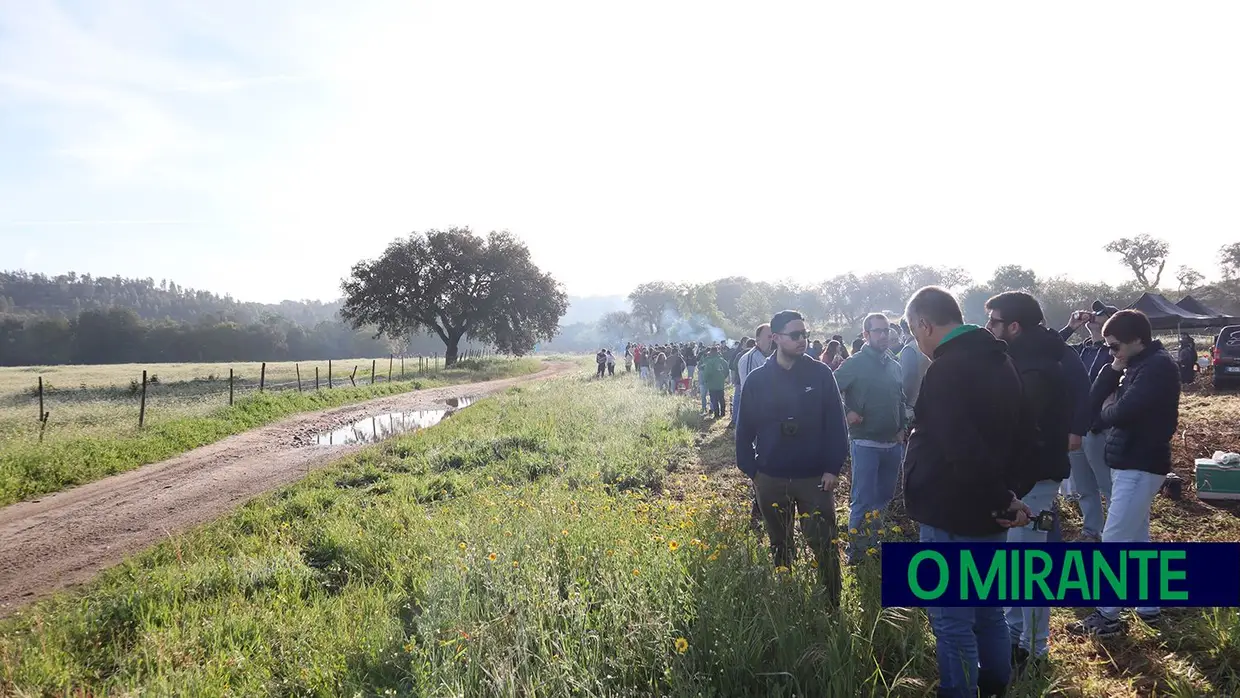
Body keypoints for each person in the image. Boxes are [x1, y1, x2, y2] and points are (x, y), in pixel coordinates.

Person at [902, 286, 1033, 698]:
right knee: (988, 611)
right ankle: (995, 687)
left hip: (951, 513)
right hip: (991, 510)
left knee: (951, 619)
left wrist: (1000, 497)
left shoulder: (945, 370)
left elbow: (961, 447)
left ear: (925, 324)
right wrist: (1009, 495)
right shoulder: (1001, 360)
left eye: (913, 332)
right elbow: (1026, 436)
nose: (917, 343)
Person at [1069, 309, 1180, 638]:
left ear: (1137, 340)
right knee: (1136, 539)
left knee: (1114, 540)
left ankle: (1108, 617)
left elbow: (1122, 410)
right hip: (1130, 461)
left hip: (1141, 463)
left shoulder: (1157, 367)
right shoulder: (1137, 365)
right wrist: (1114, 368)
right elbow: (1093, 401)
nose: (1110, 352)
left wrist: (1105, 412)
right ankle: (1148, 607)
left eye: (1114, 346)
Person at [984, 291, 1080, 667]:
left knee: (1028, 566)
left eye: (993, 321)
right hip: (1025, 477)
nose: (988, 327)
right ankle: (1014, 636)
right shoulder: (1026, 358)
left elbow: (1019, 429)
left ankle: (1035, 648)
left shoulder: (1034, 369)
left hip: (1034, 478)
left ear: (1014, 326)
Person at [736, 310, 848, 605]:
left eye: (805, 334)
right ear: (775, 338)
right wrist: (754, 473)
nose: (803, 340)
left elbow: (837, 425)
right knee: (780, 545)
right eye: (795, 335)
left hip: (814, 479)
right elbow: (743, 430)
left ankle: (832, 602)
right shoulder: (757, 380)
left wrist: (832, 468)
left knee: (823, 544)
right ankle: (788, 600)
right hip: (770, 478)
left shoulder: (820, 374)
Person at [832, 313, 907, 564]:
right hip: (865, 443)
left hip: (892, 444)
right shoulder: (855, 363)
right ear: (866, 335)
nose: (884, 335)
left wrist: (901, 428)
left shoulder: (894, 364)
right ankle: (857, 553)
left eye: (886, 330)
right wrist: (848, 411)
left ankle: (872, 544)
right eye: (878, 331)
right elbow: (831, 390)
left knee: (883, 499)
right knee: (863, 500)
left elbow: (901, 398)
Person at [1059, 303, 1118, 542]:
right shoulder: (1081, 350)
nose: (1094, 316)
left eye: (1103, 314)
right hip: (1075, 427)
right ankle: (1091, 531)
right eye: (1095, 313)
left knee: (1107, 485)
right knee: (1084, 487)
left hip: (1098, 428)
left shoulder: (1114, 351)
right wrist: (1071, 327)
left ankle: (1116, 532)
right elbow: (1050, 348)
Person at [699, 346, 729, 418]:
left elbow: (707, 373)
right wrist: (723, 377)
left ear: (712, 353)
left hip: (712, 383)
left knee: (714, 399)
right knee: (721, 398)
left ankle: (716, 414)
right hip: (720, 383)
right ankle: (723, 413)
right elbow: (727, 371)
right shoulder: (723, 361)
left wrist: (705, 380)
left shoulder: (710, 361)